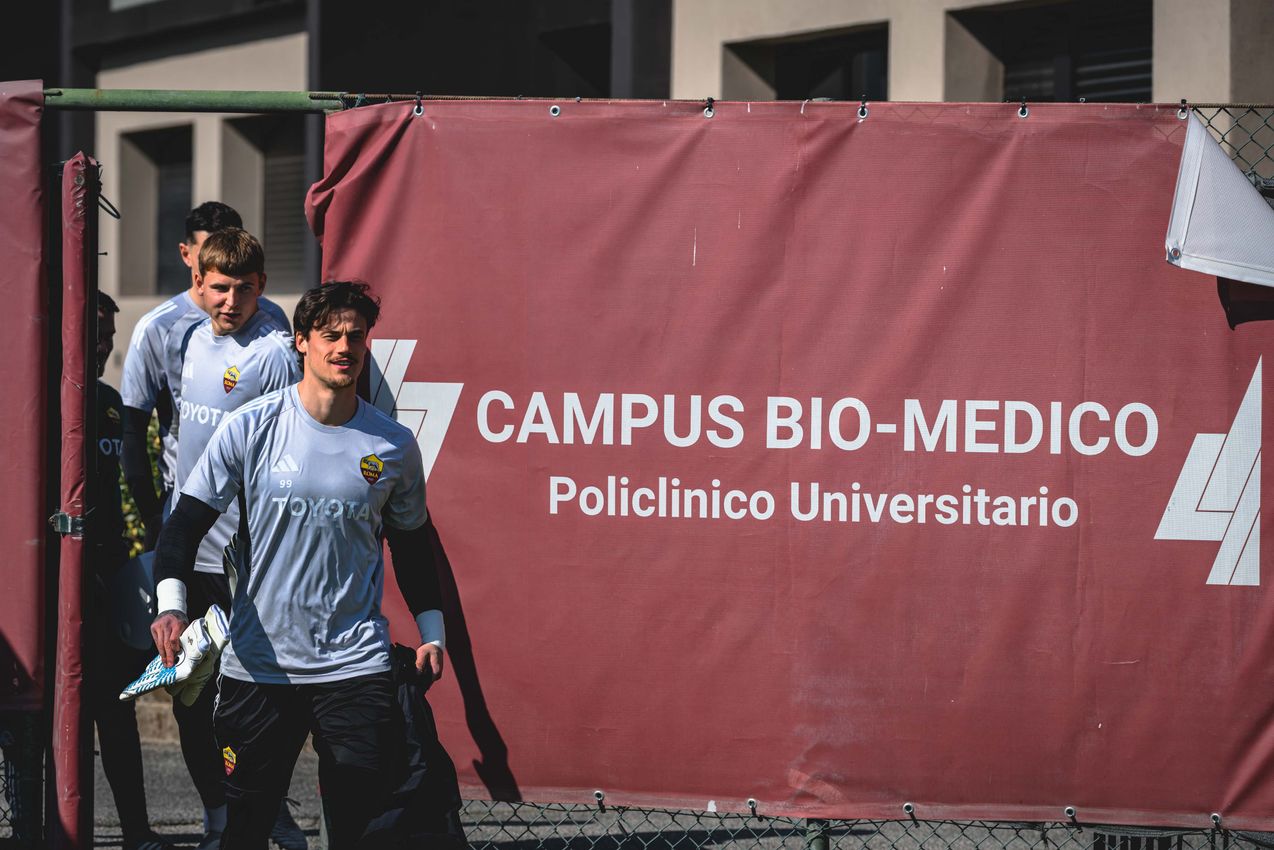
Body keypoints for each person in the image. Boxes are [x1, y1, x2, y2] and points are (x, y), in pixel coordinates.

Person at [151, 281, 446, 850]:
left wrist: (431, 632)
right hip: (260, 668)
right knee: (247, 831)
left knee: (363, 828)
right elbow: (183, 525)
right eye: (330, 335)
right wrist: (170, 607)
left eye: (355, 336)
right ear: (302, 344)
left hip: (354, 666)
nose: (344, 347)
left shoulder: (393, 446)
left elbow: (412, 545)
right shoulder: (251, 427)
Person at [165, 227, 305, 850]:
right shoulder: (189, 339)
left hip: (240, 560)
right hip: (184, 551)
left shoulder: (274, 350)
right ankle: (219, 814)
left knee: (242, 702)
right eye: (219, 287)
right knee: (188, 695)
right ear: (198, 282)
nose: (230, 300)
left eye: (243, 289)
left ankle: (262, 811)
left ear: (261, 289)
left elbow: (286, 451)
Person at [120, 201, 290, 551]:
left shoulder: (273, 332)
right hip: (181, 512)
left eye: (243, 285)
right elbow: (132, 428)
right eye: (210, 251)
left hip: (247, 522)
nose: (231, 299)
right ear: (189, 258)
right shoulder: (163, 329)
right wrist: (153, 514)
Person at [88, 291, 172, 850]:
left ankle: (136, 833)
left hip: (107, 576)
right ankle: (33, 822)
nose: (101, 348)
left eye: (108, 340)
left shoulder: (110, 405)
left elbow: (132, 490)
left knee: (115, 709)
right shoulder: (32, 397)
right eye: (92, 335)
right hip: (51, 580)